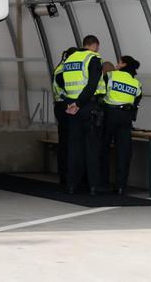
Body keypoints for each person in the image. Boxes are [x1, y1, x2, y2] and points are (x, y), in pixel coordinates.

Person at [59, 35, 104, 195]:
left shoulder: (70, 60)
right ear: (94, 45)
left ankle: (71, 185)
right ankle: (93, 186)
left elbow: (61, 81)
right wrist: (79, 104)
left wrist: (71, 103)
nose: (98, 50)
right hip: (87, 106)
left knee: (74, 147)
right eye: (98, 47)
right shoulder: (93, 58)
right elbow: (92, 85)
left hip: (71, 107)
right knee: (92, 147)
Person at [102, 56, 143, 194]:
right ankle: (120, 186)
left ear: (124, 64)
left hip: (109, 115)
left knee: (103, 149)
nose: (117, 64)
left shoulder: (110, 76)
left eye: (119, 62)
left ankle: (102, 184)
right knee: (123, 153)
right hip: (126, 118)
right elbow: (136, 102)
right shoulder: (136, 83)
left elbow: (100, 93)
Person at [51, 47, 77, 188]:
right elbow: (68, 89)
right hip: (65, 106)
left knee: (65, 143)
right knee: (67, 144)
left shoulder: (61, 68)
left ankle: (66, 176)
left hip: (62, 106)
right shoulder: (64, 71)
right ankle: (66, 177)